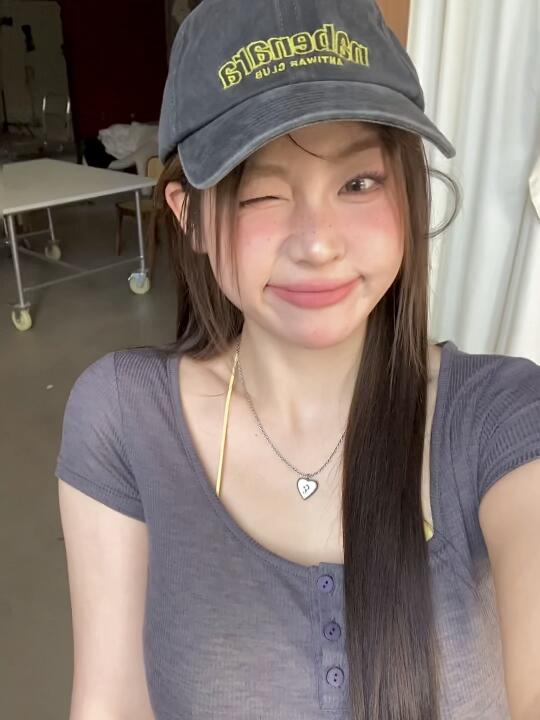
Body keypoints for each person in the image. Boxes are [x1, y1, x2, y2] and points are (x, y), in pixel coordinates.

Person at [55, 0, 540, 718]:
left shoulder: (502, 416)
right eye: (260, 192)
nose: (317, 243)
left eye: (359, 183)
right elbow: (112, 703)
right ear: (189, 217)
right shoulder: (124, 419)